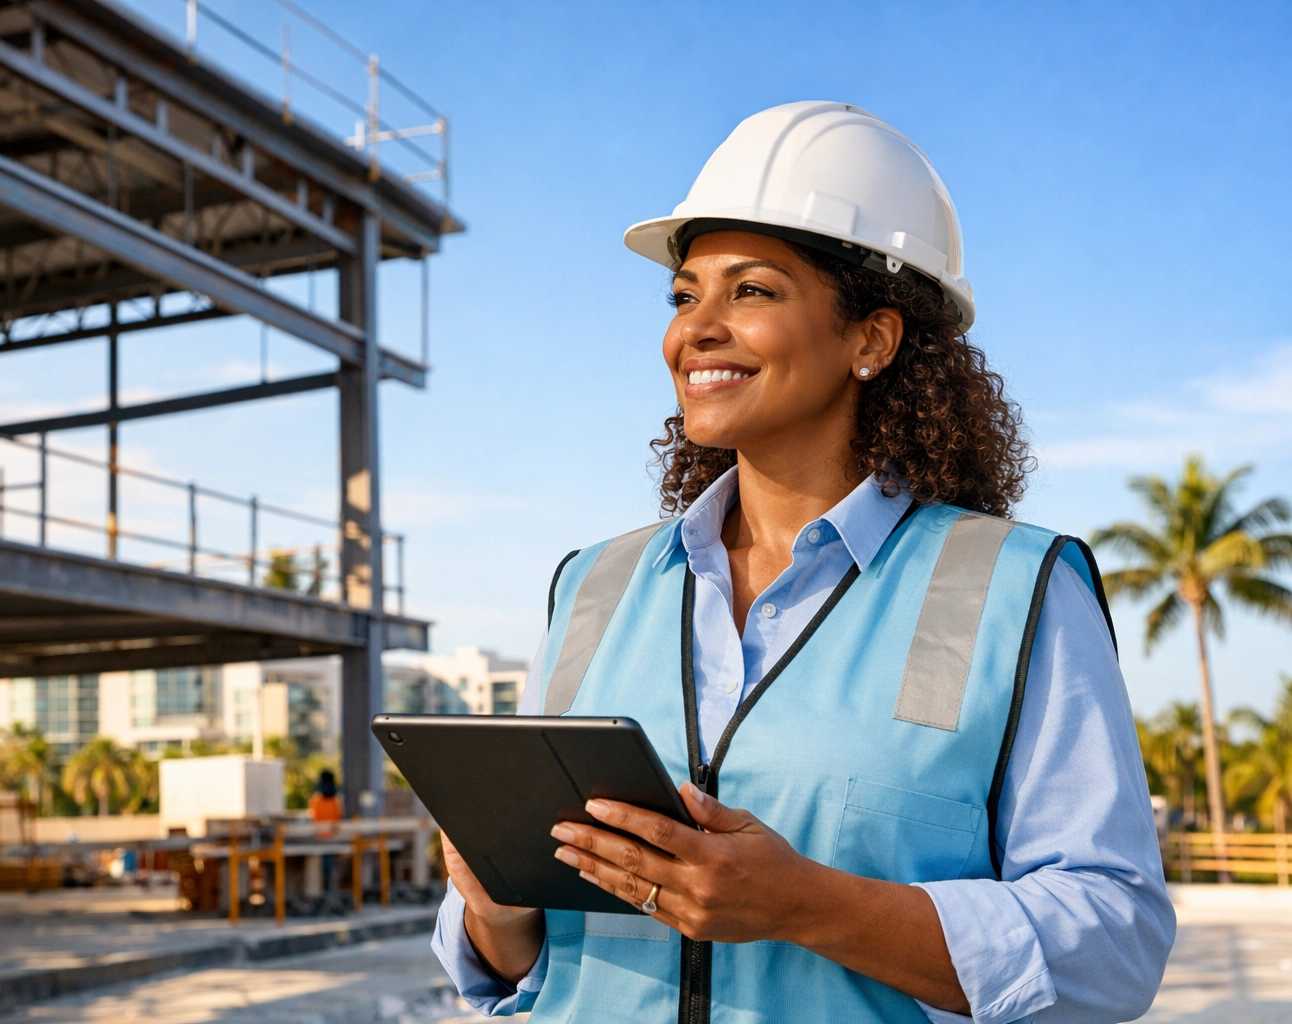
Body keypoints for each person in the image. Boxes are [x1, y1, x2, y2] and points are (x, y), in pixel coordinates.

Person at [431, 102, 1174, 1023]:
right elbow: (522, 964)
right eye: (684, 296)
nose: (696, 329)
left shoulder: (1016, 588)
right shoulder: (594, 587)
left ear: (872, 338)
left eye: (751, 291)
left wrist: (806, 907)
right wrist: (495, 907)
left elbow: (1114, 943)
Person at [308, 769, 342, 897]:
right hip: (333, 840)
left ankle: (324, 892)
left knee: (323, 866)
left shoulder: (316, 801)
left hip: (321, 840)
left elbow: (313, 819)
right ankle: (331, 890)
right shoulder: (336, 801)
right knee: (331, 866)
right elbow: (338, 820)